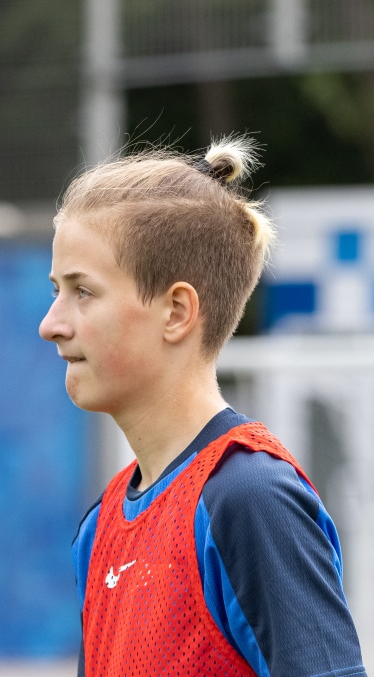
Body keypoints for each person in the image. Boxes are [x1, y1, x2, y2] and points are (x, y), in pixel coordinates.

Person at [38, 136, 367, 676]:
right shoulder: (100, 529)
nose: (52, 324)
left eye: (83, 291)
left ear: (176, 312)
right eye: (56, 289)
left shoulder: (250, 498)